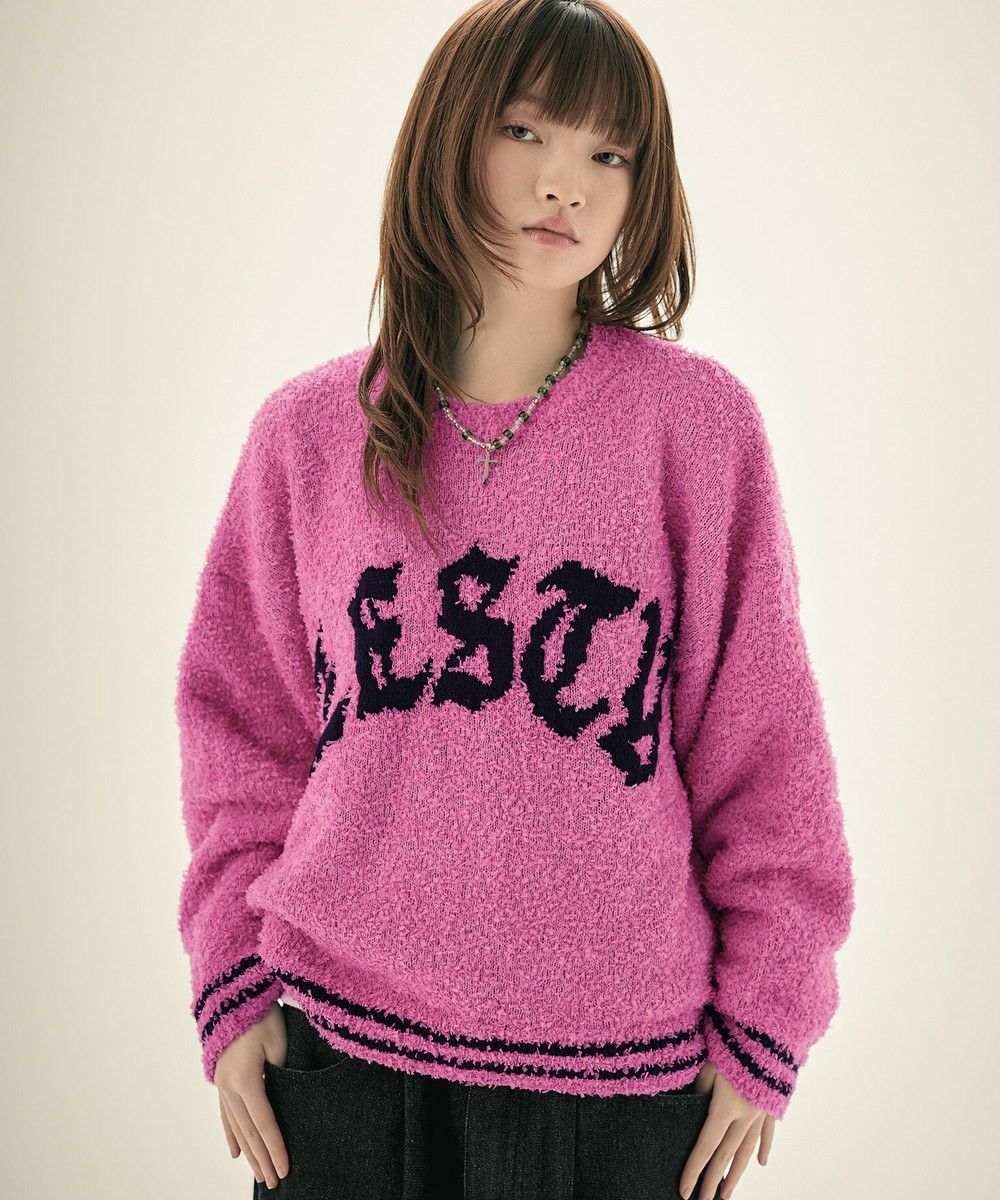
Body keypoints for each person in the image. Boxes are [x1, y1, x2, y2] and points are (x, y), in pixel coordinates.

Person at [174, 2, 855, 1198]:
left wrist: (769, 1016)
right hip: (341, 1055)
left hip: (623, 1080)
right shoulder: (307, 434)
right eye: (525, 131)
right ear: (448, 137)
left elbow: (764, 745)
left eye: (609, 152)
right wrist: (230, 984)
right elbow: (241, 729)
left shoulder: (694, 430)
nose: (565, 183)